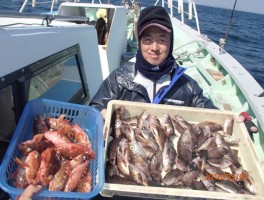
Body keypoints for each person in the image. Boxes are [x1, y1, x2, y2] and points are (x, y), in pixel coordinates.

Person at [89, 5, 217, 119]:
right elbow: (95, 106)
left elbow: (214, 116)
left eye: (162, 40)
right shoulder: (119, 78)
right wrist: (100, 113)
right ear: (139, 43)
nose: (154, 48)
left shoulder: (188, 86)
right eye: (148, 40)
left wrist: (235, 120)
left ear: (170, 43)